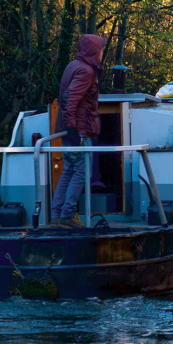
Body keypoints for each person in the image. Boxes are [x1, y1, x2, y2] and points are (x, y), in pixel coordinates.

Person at [51, 34, 106, 228]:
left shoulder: (72, 65)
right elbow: (70, 99)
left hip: (70, 131)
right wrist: (74, 130)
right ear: (94, 51)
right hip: (80, 133)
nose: (101, 55)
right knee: (81, 173)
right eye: (100, 50)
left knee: (68, 171)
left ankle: (56, 215)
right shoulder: (86, 71)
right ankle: (68, 215)